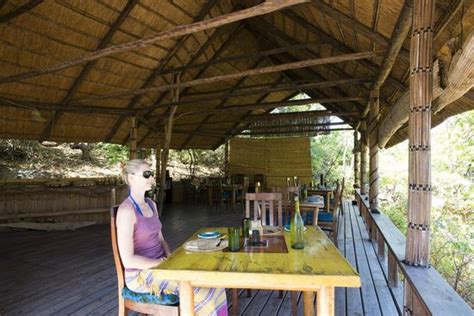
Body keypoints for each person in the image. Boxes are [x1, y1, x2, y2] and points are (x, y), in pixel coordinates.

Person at [117, 159, 228, 315]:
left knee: (214, 284)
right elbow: (128, 260)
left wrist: (171, 258)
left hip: (162, 266)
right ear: (131, 177)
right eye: (147, 174)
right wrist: (160, 264)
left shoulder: (151, 204)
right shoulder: (126, 211)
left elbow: (161, 239)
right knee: (202, 292)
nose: (152, 178)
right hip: (140, 274)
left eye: (152, 174)